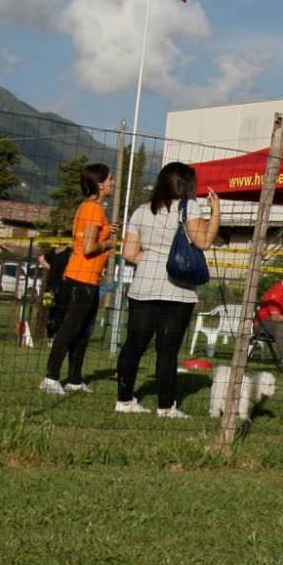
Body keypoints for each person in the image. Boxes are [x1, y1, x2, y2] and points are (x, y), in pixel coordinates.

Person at [116, 162, 221, 418]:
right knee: (168, 349)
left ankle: (124, 400)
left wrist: (152, 259)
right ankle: (165, 406)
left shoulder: (141, 211)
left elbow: (129, 253)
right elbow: (204, 242)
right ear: (186, 184)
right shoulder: (190, 207)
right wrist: (216, 212)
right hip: (178, 289)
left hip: (143, 286)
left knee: (134, 345)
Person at [40, 168, 113, 394]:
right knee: (70, 329)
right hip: (82, 278)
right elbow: (90, 247)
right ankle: (51, 378)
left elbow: (85, 241)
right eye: (110, 179)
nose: (113, 183)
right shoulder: (93, 209)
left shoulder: (90, 208)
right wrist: (109, 244)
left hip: (88, 278)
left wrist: (108, 231)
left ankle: (74, 379)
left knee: (83, 331)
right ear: (99, 184)